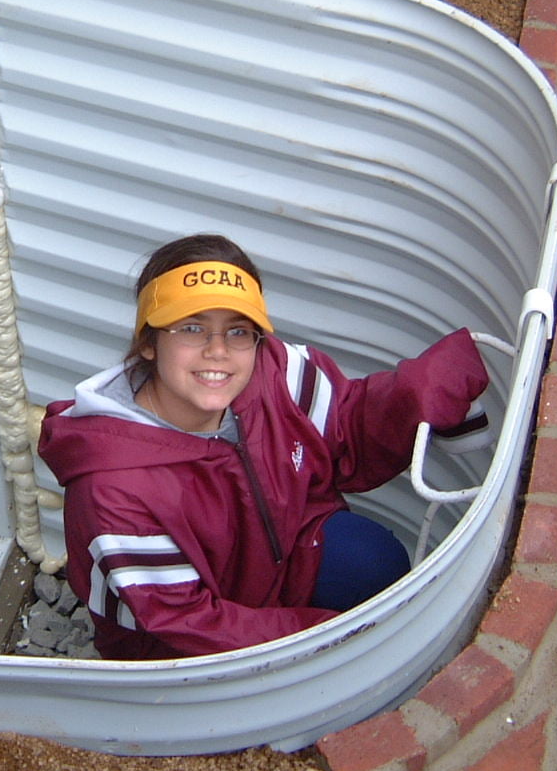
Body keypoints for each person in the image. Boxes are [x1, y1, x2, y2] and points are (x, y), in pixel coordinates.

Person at [37, 234, 489, 660]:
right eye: (192, 328)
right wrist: (330, 637)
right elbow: (186, 620)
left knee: (377, 563)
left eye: (238, 330)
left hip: (278, 561)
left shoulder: (272, 369)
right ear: (148, 343)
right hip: (176, 646)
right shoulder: (112, 485)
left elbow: (345, 423)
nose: (219, 350)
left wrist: (418, 394)